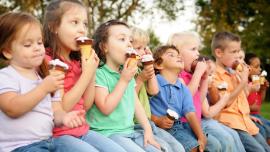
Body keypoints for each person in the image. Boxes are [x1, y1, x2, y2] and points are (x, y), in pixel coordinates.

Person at [0, 12, 94, 152]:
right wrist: (43, 88)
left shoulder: (46, 77)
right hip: (20, 147)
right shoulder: (6, 76)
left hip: (49, 142)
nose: (37, 47)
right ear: (8, 52)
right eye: (28, 44)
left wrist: (65, 118)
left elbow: (56, 112)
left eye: (39, 42)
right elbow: (12, 108)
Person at [43, 0, 126, 151]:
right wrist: (86, 74)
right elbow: (63, 107)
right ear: (54, 26)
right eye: (74, 22)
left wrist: (91, 70)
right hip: (59, 135)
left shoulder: (77, 62)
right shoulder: (48, 62)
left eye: (85, 24)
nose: (82, 29)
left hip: (82, 130)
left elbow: (86, 105)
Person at [86, 20, 161, 152]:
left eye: (130, 40)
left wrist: (147, 130)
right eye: (122, 39)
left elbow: (135, 103)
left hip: (129, 131)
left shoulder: (126, 71)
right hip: (108, 134)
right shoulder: (99, 73)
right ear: (104, 47)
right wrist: (124, 80)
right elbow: (105, 108)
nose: (128, 44)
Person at [168, 32, 246, 152]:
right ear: (178, 53)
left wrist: (203, 78)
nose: (198, 53)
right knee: (218, 144)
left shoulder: (191, 75)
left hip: (196, 121)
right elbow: (186, 97)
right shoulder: (178, 76)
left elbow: (199, 99)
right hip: (184, 123)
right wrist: (198, 74)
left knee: (229, 138)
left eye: (197, 49)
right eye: (193, 49)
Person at [209, 31, 270, 152]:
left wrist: (249, 86)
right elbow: (225, 103)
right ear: (219, 52)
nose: (237, 56)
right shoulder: (214, 75)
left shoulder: (234, 73)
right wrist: (243, 83)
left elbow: (242, 99)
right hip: (231, 124)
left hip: (246, 122)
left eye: (239, 51)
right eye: (234, 52)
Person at [131, 27, 185, 152]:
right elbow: (129, 97)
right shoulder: (127, 72)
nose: (143, 52)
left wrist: (149, 64)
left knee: (178, 148)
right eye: (138, 48)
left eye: (145, 48)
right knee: (164, 148)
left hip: (148, 123)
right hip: (135, 124)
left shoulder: (140, 70)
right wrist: (139, 80)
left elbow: (154, 91)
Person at [150, 45, 207, 152]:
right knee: (193, 147)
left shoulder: (183, 88)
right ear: (158, 64)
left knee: (210, 144)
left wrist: (201, 136)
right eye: (171, 55)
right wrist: (157, 120)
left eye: (179, 55)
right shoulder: (153, 82)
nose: (178, 57)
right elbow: (143, 108)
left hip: (180, 126)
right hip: (158, 127)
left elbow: (190, 113)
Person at [245, 53, 270, 145]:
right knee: (263, 130)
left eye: (260, 66)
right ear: (247, 67)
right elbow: (239, 103)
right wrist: (251, 108)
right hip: (249, 117)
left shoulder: (255, 81)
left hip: (257, 115)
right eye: (257, 66)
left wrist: (263, 90)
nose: (260, 69)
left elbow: (259, 103)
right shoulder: (245, 83)